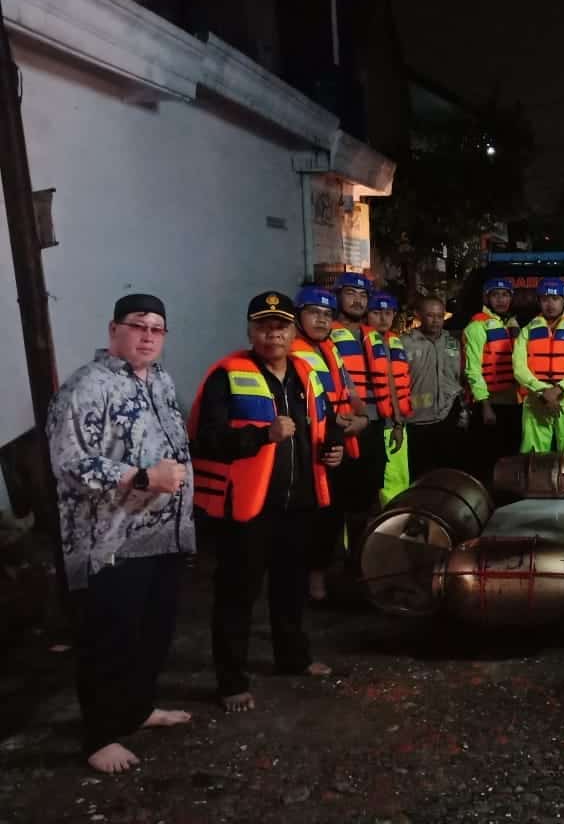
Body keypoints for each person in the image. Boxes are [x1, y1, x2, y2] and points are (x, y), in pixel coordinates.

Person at [47, 294, 195, 774]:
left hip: (164, 537)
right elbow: (69, 465)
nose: (149, 335)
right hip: (110, 541)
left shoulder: (161, 382)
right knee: (109, 639)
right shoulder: (88, 386)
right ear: (114, 331)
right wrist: (143, 478)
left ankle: (138, 709)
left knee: (152, 635)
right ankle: (100, 735)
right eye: (138, 326)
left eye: (157, 328)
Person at [189, 292, 343, 713]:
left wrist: (333, 449)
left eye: (281, 325)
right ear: (249, 330)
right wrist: (262, 435)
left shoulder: (307, 373)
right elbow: (206, 439)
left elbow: (323, 425)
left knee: (290, 588)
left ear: (293, 331)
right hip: (247, 507)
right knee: (237, 594)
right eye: (263, 325)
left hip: (298, 503)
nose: (273, 333)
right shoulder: (227, 376)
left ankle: (293, 658)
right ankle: (231, 681)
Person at [291, 286, 369, 600]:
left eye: (326, 315)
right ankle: (311, 583)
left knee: (334, 513)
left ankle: (324, 575)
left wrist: (362, 419)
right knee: (312, 516)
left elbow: (351, 393)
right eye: (314, 313)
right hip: (307, 444)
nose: (322, 321)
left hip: (338, 438)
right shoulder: (293, 351)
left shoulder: (331, 349)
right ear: (298, 317)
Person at [328, 272, 386, 573]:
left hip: (373, 428)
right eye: (350, 293)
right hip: (342, 427)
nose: (357, 300)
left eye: (363, 296)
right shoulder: (326, 336)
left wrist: (392, 421)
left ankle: (363, 564)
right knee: (336, 501)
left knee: (368, 498)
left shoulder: (373, 336)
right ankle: (333, 567)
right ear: (337, 296)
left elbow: (387, 382)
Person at [513, 278, 564, 454]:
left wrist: (557, 391)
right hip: (536, 401)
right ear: (539, 301)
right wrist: (543, 392)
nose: (550, 304)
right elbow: (519, 368)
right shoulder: (527, 331)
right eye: (545, 299)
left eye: (555, 299)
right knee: (533, 455)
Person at [463, 278, 521, 479]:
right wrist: (485, 405)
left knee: (510, 458)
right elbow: (473, 370)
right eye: (495, 295)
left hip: (513, 401)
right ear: (486, 298)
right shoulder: (477, 326)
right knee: (489, 460)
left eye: (505, 295)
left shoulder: (511, 324)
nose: (501, 300)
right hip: (490, 404)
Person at [403, 295, 467, 478]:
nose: (436, 320)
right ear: (418, 315)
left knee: (448, 473)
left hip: (448, 417)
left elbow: (461, 377)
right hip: (417, 421)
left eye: (440, 316)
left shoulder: (453, 342)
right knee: (420, 475)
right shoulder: (404, 344)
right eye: (430, 315)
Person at [364, 290, 412, 503]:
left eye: (388, 312)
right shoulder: (359, 341)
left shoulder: (395, 341)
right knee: (379, 486)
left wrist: (399, 423)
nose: (383, 318)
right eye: (376, 312)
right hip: (373, 424)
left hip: (395, 422)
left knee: (399, 481)